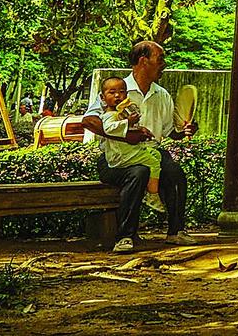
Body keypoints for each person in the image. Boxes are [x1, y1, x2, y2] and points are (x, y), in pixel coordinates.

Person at [82, 40, 196, 253]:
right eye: (160, 59)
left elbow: (170, 132)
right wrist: (126, 135)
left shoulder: (162, 95)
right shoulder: (116, 91)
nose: (164, 64)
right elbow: (88, 121)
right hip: (116, 155)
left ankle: (176, 231)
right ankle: (125, 236)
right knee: (139, 173)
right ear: (143, 61)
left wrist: (185, 131)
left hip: (150, 151)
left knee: (175, 173)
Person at [96, 77, 164, 212]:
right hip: (121, 156)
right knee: (154, 163)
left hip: (129, 152)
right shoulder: (109, 115)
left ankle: (149, 187)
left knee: (156, 154)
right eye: (112, 92)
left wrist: (139, 129)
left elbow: (128, 130)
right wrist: (128, 122)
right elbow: (109, 129)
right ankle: (152, 195)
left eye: (121, 92)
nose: (117, 95)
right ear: (103, 98)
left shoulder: (119, 113)